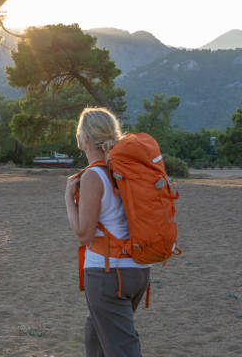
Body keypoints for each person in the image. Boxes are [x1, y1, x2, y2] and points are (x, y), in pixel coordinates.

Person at [65, 107, 151, 357]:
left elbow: (84, 235)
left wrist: (69, 200)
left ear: (85, 140)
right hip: (138, 270)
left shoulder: (94, 175)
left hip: (108, 274)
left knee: (121, 348)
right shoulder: (128, 170)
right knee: (97, 336)